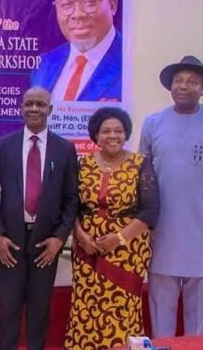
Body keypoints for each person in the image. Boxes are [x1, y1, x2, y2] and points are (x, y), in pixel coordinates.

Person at [139, 55, 203, 338]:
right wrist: (142, 226)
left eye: (192, 82)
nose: (183, 86)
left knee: (199, 317)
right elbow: (142, 179)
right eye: (179, 81)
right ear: (170, 86)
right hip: (162, 232)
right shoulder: (153, 123)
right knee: (161, 311)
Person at [65, 107, 160, 350]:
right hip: (88, 249)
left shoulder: (141, 164)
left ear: (126, 133)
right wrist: (80, 235)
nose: (112, 135)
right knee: (87, 305)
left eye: (118, 130)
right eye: (106, 131)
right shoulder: (82, 164)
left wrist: (118, 238)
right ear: (95, 135)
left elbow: (150, 211)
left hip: (127, 251)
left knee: (123, 308)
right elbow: (71, 205)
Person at [0, 87, 79, 350]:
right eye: (28, 103)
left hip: (46, 244)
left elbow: (71, 199)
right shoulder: (2, 146)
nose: (33, 109)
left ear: (50, 110)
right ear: (21, 108)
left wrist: (59, 239)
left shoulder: (65, 149)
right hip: (10, 242)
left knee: (39, 310)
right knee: (8, 311)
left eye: (40, 104)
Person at [31, 0, 122, 102]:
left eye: (90, 3)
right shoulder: (44, 64)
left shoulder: (131, 61)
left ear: (112, 5)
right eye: (66, 5)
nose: (78, 14)